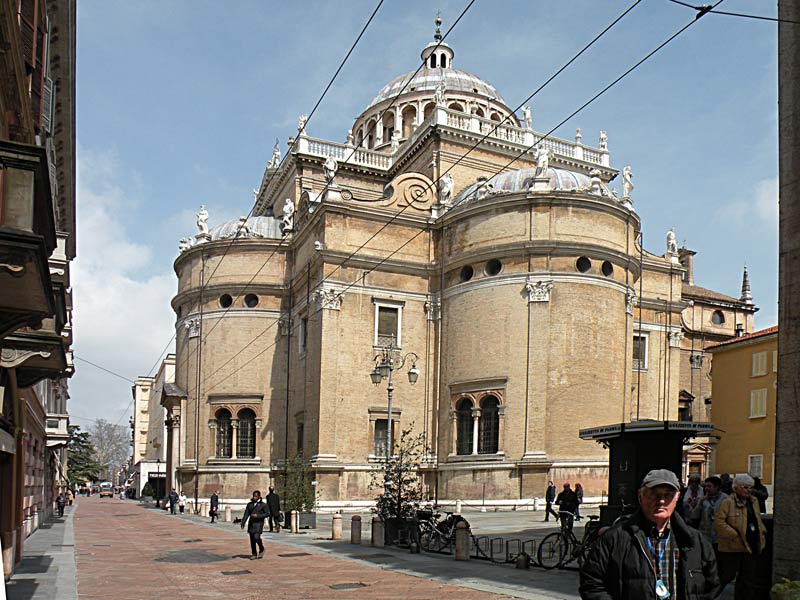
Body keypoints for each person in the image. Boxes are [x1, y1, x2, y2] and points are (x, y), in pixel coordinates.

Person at [579, 468, 719, 600]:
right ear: (641, 496)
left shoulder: (696, 541)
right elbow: (591, 584)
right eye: (654, 494)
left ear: (677, 497)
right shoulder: (615, 538)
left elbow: (711, 587)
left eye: (668, 495)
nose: (661, 501)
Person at [714, 474, 767, 599]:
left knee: (747, 579)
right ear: (736, 488)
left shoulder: (753, 502)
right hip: (732, 547)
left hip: (750, 545)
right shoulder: (727, 502)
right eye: (745, 487)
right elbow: (719, 522)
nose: (748, 490)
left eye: (750, 487)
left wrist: (762, 533)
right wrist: (733, 535)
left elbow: (757, 520)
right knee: (727, 576)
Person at [690, 475, 728, 556]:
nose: (706, 488)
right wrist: (699, 503)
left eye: (709, 486)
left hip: (719, 536)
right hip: (705, 535)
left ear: (716, 487)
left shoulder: (725, 499)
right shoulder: (703, 499)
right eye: (705, 486)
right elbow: (694, 516)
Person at [241, 490, 269, 560]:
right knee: (252, 539)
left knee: (256, 537)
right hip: (251, 523)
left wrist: (258, 516)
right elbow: (246, 514)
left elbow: (267, 513)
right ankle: (254, 553)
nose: (254, 497)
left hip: (259, 523)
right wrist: (243, 522)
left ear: (259, 496)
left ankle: (261, 548)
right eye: (254, 496)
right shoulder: (250, 504)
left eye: (256, 496)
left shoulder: (263, 505)